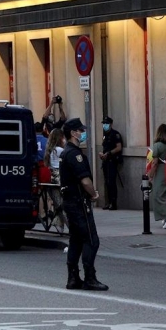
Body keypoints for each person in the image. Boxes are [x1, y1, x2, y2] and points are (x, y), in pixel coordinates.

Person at [59, 118, 108, 291]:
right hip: (78, 202)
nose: (82, 133)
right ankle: (90, 277)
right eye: (79, 130)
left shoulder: (65, 152)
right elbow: (85, 180)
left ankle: (73, 277)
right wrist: (93, 194)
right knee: (91, 240)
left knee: (76, 240)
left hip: (69, 201)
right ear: (73, 133)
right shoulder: (74, 154)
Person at [149, 124, 166, 231]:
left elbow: (155, 163)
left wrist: (150, 175)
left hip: (160, 171)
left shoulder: (157, 146)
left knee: (159, 195)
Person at [44, 128, 67, 233]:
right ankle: (68, 225)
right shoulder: (60, 150)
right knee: (64, 204)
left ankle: (58, 224)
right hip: (60, 177)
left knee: (58, 203)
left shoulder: (50, 150)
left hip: (52, 178)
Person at [98, 116, 123, 210]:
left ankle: (113, 203)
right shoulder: (105, 135)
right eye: (103, 124)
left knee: (111, 182)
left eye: (106, 124)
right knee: (107, 182)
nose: (105, 125)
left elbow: (119, 147)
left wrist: (109, 153)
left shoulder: (115, 134)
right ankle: (108, 202)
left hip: (112, 161)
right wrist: (102, 154)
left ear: (111, 124)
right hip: (106, 161)